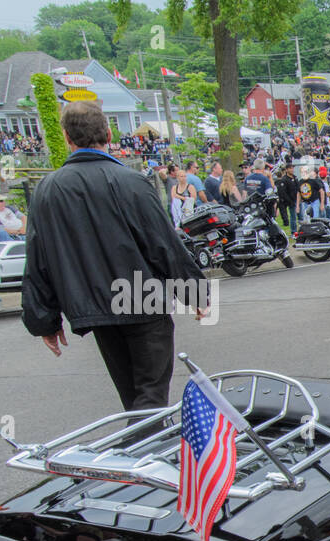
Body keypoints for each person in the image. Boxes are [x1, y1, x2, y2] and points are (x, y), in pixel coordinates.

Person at [21, 102, 205, 411]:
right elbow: (162, 242)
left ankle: (142, 449)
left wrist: (44, 319)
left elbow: (38, 260)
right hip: (142, 299)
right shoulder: (130, 182)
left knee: (136, 397)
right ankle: (142, 451)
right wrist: (194, 291)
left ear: (67, 137)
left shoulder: (47, 190)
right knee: (150, 397)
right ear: (108, 133)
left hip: (95, 305)